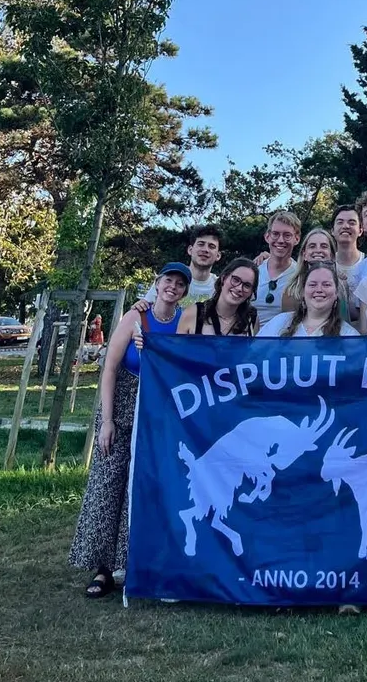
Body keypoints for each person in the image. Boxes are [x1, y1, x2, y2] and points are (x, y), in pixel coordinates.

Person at [69, 262, 190, 598]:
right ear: (158, 282)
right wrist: (106, 420)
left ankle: (129, 562)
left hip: (156, 410)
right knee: (108, 484)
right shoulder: (136, 316)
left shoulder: (183, 321)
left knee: (139, 487)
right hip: (122, 405)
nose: (173, 287)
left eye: (180, 284)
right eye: (169, 281)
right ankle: (101, 567)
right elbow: (109, 368)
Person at [258, 261, 359, 338]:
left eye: (326, 284)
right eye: (312, 284)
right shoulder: (280, 323)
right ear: (303, 292)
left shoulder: (348, 335)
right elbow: (255, 355)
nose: (319, 290)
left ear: (336, 292)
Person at [143, 225, 221, 307]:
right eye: (201, 244)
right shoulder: (168, 278)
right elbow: (145, 307)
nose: (205, 250)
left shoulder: (220, 287)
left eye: (211, 246)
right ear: (190, 250)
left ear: (218, 255)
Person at [179, 258, 259, 337]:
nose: (239, 288)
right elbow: (177, 349)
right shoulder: (193, 313)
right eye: (236, 280)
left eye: (247, 285)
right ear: (223, 278)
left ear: (251, 291)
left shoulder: (251, 319)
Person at [253, 210, 301, 326]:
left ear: (297, 239)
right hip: (250, 340)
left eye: (287, 235)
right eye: (275, 234)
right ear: (267, 236)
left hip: (284, 340)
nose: (280, 240)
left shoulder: (300, 275)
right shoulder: (253, 270)